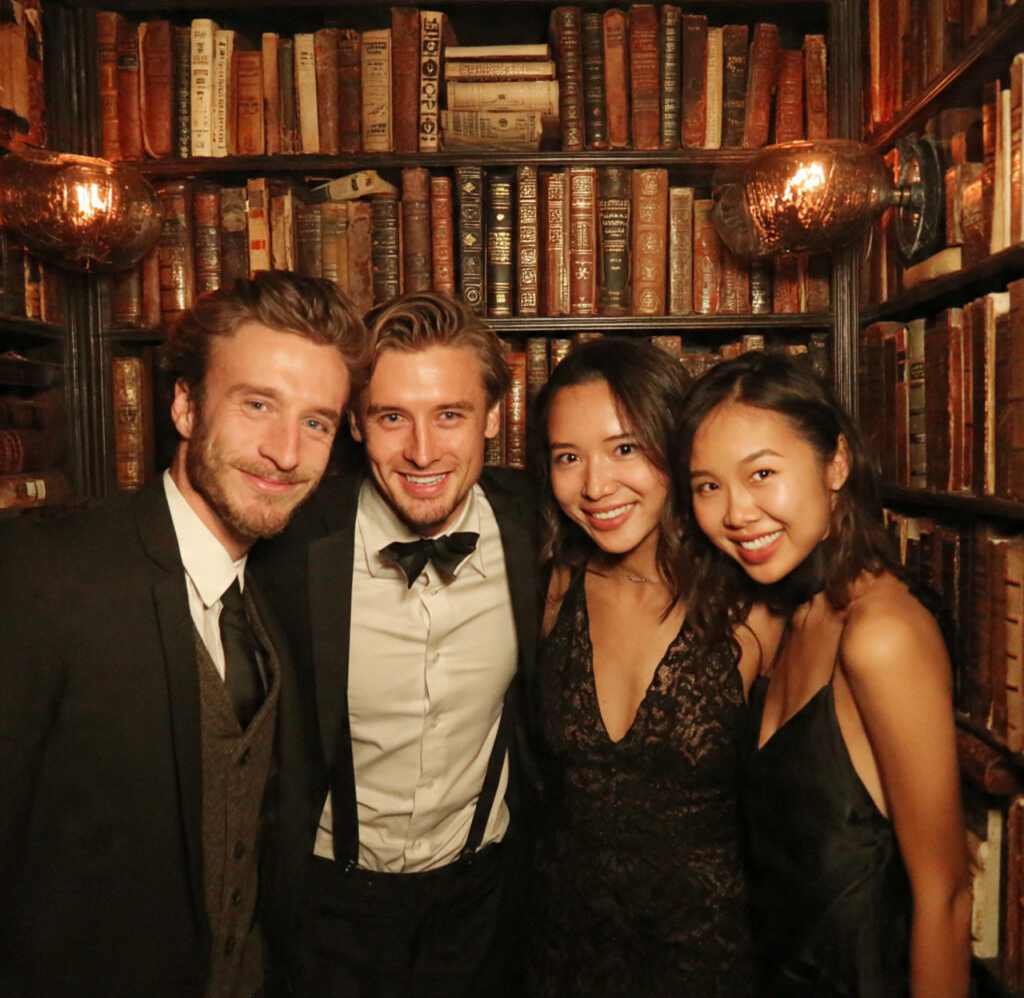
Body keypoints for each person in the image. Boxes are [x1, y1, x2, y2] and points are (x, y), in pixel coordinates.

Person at [0, 271, 368, 998]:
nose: (286, 452)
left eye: (316, 422)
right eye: (257, 404)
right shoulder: (44, 575)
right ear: (185, 406)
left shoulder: (278, 593)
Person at [251, 291, 539, 998]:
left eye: (450, 415)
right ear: (356, 422)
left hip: (484, 907)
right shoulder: (287, 543)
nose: (422, 451)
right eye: (391, 417)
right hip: (327, 910)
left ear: (493, 417)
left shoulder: (540, 526)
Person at [680, 349, 972, 998]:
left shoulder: (882, 635)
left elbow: (946, 898)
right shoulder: (794, 611)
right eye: (707, 486)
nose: (736, 512)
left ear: (836, 464)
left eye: (761, 473)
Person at [526, 336, 768, 996]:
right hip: (558, 958)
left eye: (625, 448)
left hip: (710, 964)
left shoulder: (755, 607)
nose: (595, 485)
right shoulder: (551, 589)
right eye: (568, 457)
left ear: (676, 446)